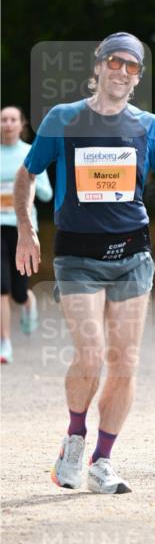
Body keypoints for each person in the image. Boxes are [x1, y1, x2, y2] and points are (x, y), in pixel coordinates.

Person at [14, 32, 155, 494]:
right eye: (115, 62)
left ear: (138, 76)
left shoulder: (149, 126)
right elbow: (27, 175)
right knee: (90, 353)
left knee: (124, 362)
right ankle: (74, 438)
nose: (122, 71)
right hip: (77, 255)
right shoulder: (64, 119)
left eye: (132, 66)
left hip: (132, 255)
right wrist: (26, 227)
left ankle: (102, 461)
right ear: (99, 65)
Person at [1, 105, 53, 363]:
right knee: (1, 286)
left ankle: (27, 302)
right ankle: (5, 343)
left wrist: (24, 185)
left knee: (18, 291)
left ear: (21, 124)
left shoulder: (30, 153)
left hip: (23, 229)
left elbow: (46, 193)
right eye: (3, 119)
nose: (8, 123)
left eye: (13, 119)